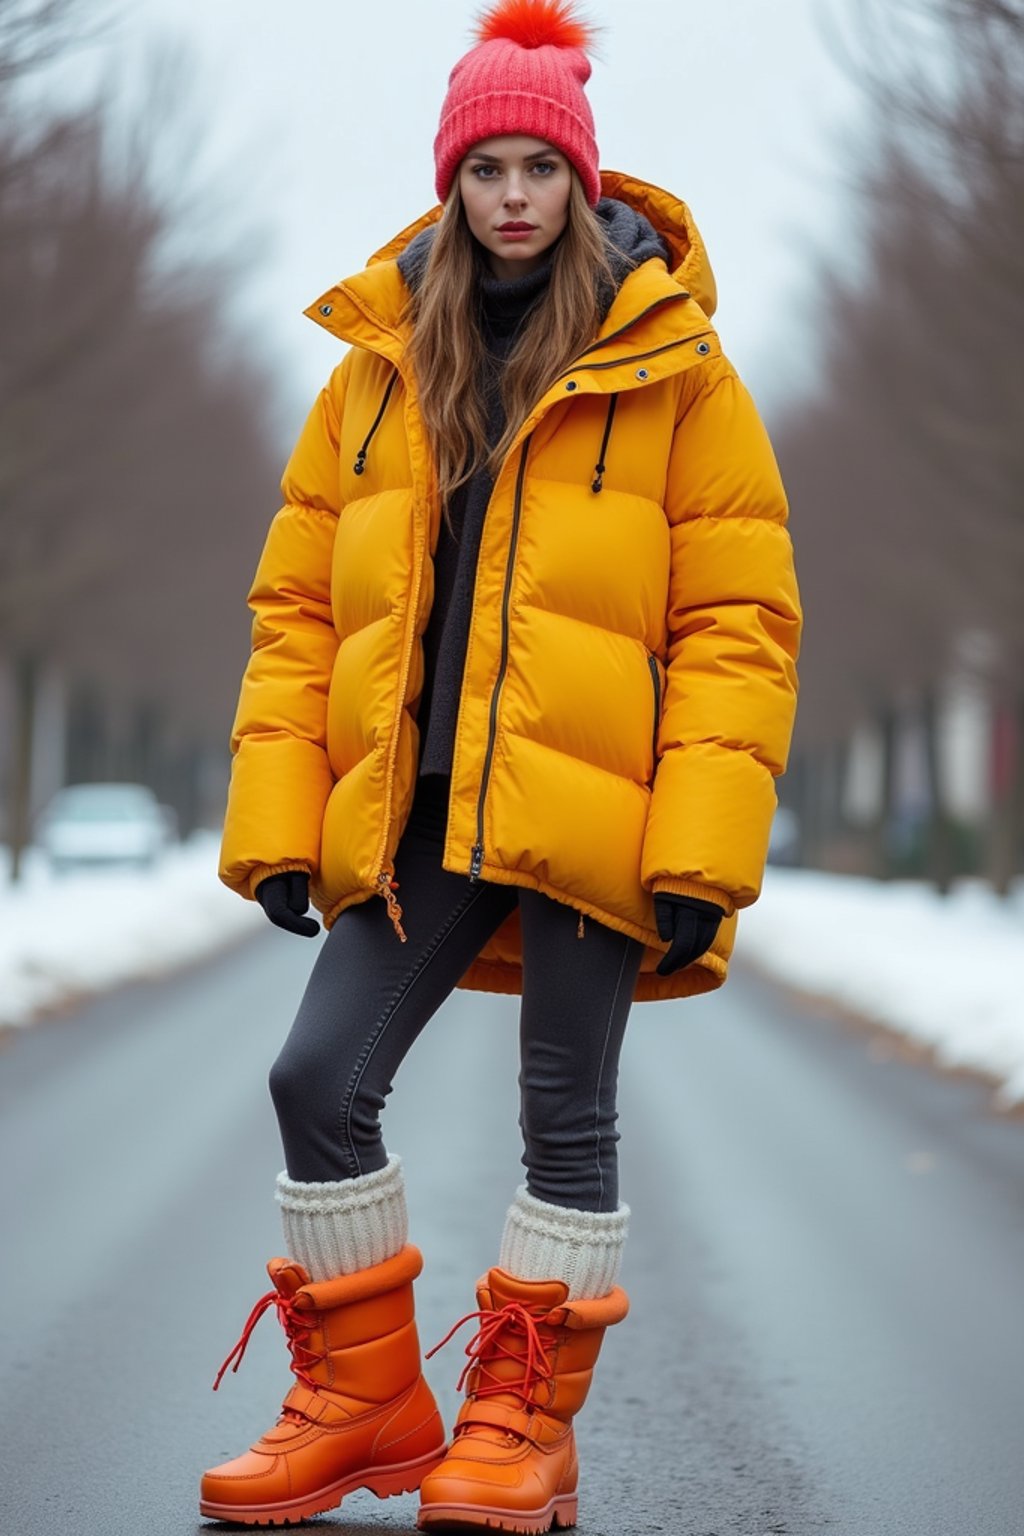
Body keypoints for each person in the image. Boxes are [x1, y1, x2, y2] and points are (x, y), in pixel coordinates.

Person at [201, 1, 802, 1530]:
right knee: (315, 1076)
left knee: (566, 1115)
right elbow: (297, 606)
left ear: (581, 178)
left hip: (593, 811)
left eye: (544, 165)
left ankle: (523, 1425)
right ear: (454, 183)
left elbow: (739, 625)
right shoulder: (377, 372)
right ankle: (365, 1397)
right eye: (490, 167)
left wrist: (699, 852)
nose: (517, 195)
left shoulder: (679, 373)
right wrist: (279, 817)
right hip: (411, 816)